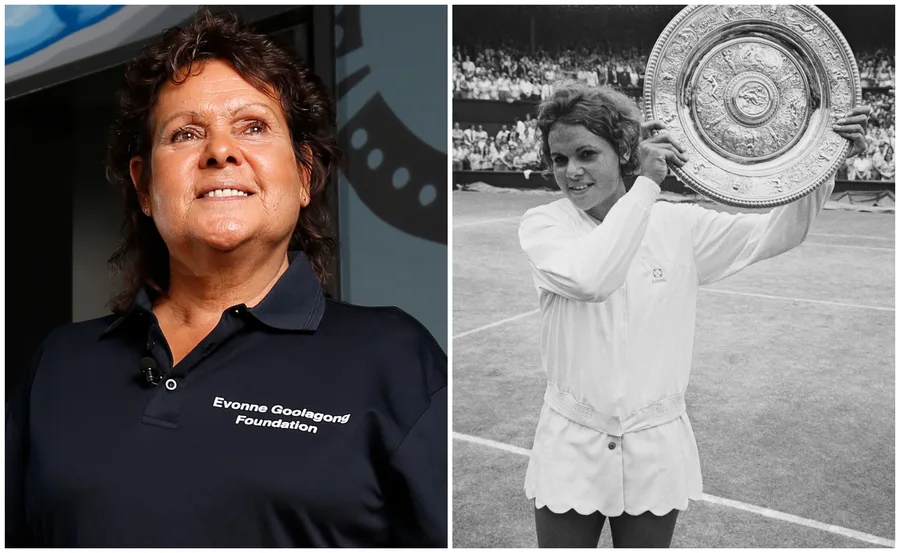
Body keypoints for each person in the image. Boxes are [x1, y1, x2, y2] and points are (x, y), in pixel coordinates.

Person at [6, 9, 447, 548]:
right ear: (144, 187)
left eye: (253, 127)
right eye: (186, 133)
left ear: (305, 176)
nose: (219, 151)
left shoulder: (396, 359)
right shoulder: (59, 362)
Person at [517, 83, 869, 548]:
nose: (571, 172)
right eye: (559, 159)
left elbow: (778, 232)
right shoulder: (544, 226)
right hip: (570, 440)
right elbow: (593, 278)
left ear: (623, 150)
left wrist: (824, 160)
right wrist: (645, 185)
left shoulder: (678, 224)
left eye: (586, 154)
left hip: (655, 444)